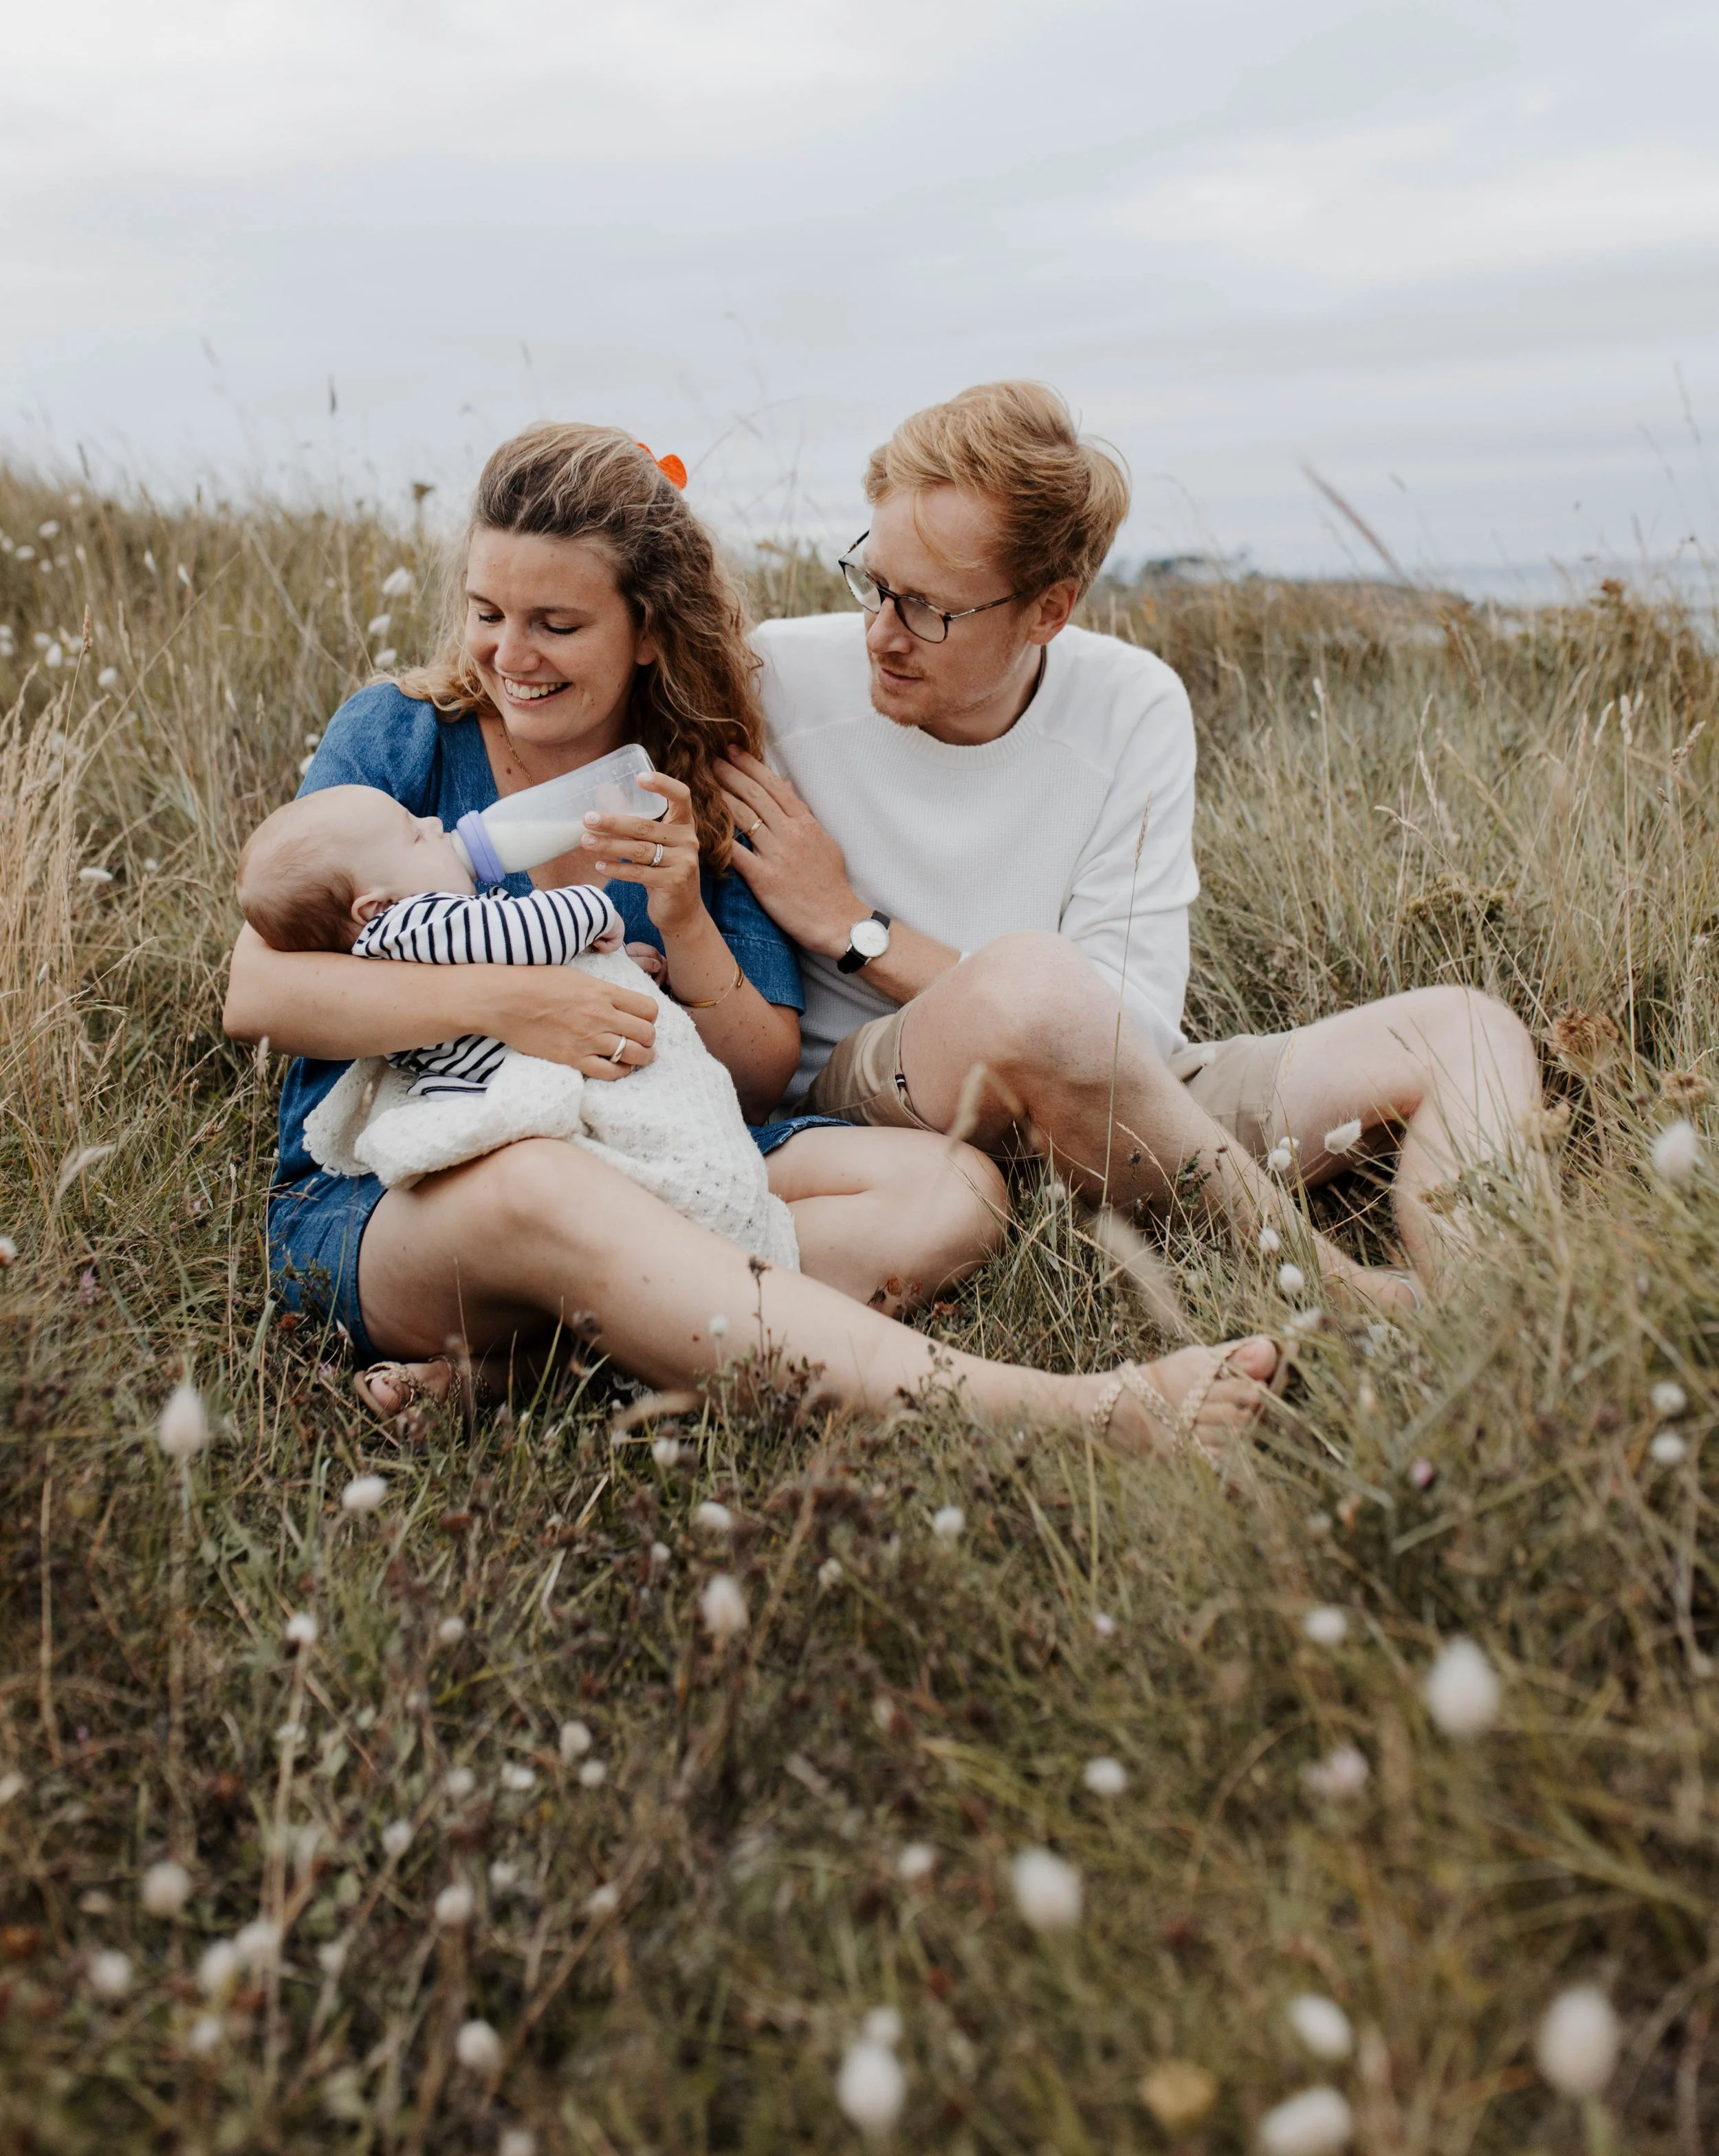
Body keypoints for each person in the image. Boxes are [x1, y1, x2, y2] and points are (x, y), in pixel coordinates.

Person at [221, 422, 1279, 1455]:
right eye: (487, 611)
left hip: (659, 1157)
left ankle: (545, 1360)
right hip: (391, 1204)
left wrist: (683, 915)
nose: (509, 654)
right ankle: (1082, 1413)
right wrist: (517, 1005)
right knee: (540, 1182)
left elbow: (761, 1080)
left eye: (556, 622)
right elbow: (260, 992)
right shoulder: (402, 735)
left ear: (646, 629)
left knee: (954, 1190)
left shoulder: (697, 771)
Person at [724, 381, 1541, 1304]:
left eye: (929, 608)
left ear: (1048, 610)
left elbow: (1130, 1028)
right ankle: (1337, 1293)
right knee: (1031, 981)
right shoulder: (775, 678)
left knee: (1466, 1030)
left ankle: (1488, 1310)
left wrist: (855, 927)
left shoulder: (1132, 702)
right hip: (881, 1108)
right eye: (872, 582)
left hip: (1118, 1103)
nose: (881, 632)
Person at [232, 784, 796, 1271]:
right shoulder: (410, 926)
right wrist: (590, 913)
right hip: (504, 1124)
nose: (435, 824)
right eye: (414, 836)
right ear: (371, 908)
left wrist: (619, 962)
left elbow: (527, 955)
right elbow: (527, 930)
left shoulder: (423, 928)